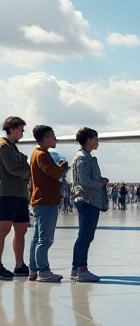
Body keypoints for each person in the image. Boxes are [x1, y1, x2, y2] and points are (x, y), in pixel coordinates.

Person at [29, 125, 68, 283]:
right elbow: (54, 173)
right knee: (45, 239)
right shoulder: (42, 155)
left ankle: (34, 269)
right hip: (47, 201)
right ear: (45, 138)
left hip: (40, 200)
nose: (55, 138)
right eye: (52, 136)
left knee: (37, 238)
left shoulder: (35, 154)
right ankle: (43, 271)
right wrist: (62, 168)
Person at [71, 127, 108, 282]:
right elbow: (84, 180)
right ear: (88, 139)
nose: (97, 141)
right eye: (95, 138)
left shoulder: (87, 156)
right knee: (85, 236)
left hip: (89, 200)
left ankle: (76, 268)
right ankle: (82, 269)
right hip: (87, 200)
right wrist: (100, 183)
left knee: (85, 236)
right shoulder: (83, 158)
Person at [0, 117, 32, 280]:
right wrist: (29, 173)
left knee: (21, 229)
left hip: (19, 193)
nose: (22, 132)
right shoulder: (3, 146)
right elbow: (13, 169)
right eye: (20, 129)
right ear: (11, 128)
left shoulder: (13, 148)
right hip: (6, 193)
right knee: (3, 229)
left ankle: (19, 265)